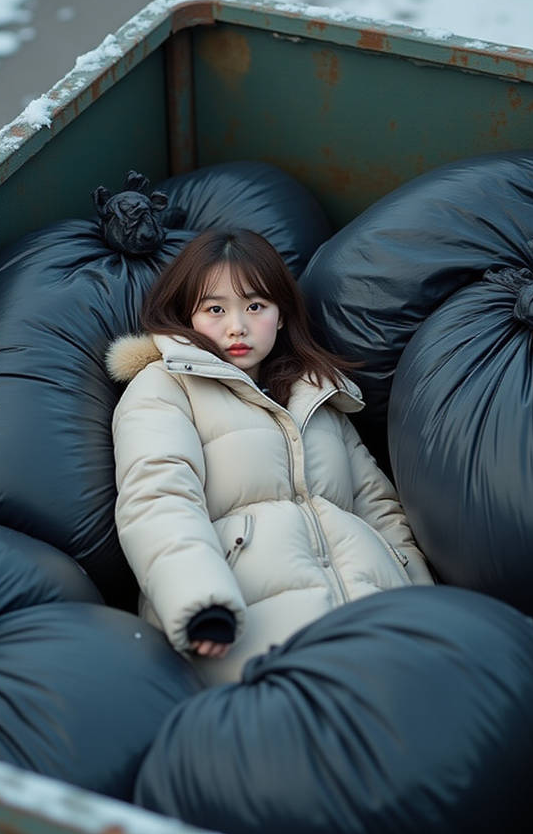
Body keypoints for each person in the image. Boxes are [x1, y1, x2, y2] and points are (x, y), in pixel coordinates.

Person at [106, 229, 433, 685]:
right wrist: (200, 601)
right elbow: (157, 498)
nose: (236, 326)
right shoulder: (164, 386)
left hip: (378, 618)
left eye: (255, 306)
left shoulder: (317, 394)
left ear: (281, 316)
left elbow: (377, 507)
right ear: (187, 315)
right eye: (215, 309)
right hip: (248, 630)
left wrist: (428, 607)